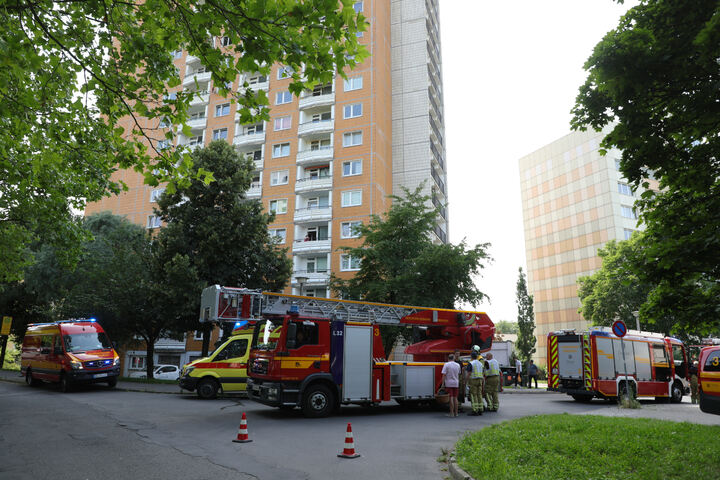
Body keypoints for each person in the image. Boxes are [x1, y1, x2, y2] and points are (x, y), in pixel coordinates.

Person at [465, 351, 484, 416]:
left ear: (471, 357)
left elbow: (469, 373)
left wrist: (465, 381)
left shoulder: (471, 363)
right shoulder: (480, 363)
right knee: (479, 394)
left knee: (473, 395)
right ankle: (480, 409)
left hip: (473, 380)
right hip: (480, 380)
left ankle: (475, 410)